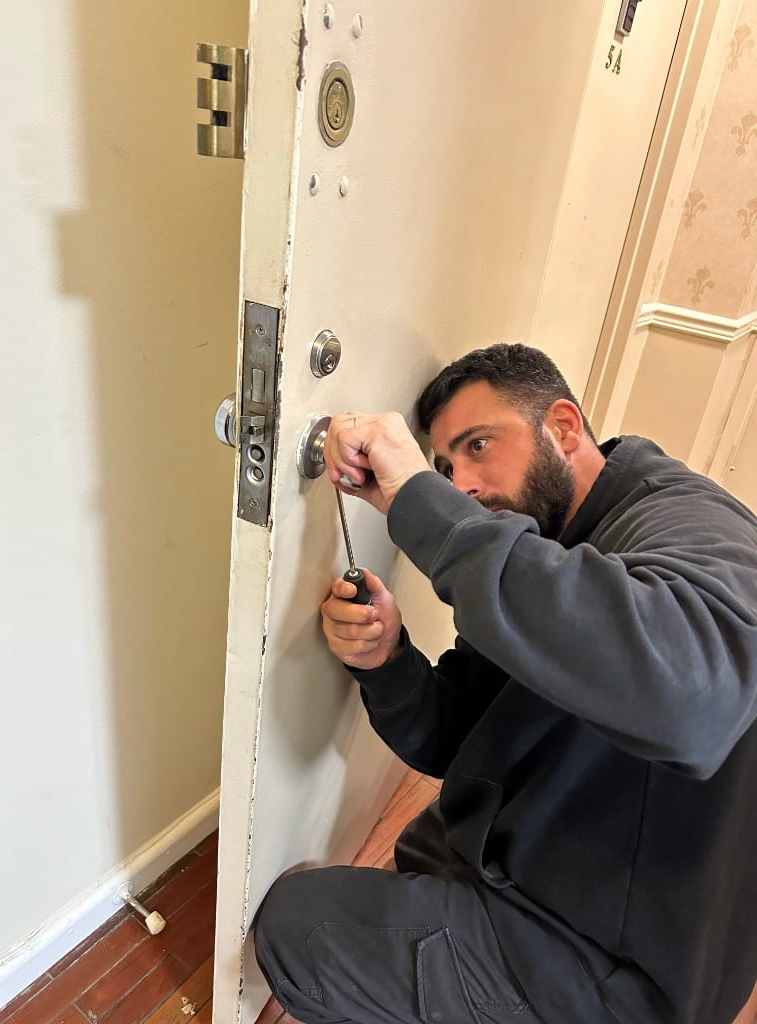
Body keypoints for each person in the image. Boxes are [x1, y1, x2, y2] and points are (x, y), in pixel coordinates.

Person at [254, 344, 757, 1024]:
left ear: (565, 427)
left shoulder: (692, 526)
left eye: (479, 445)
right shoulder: (545, 554)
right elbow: (454, 738)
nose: (461, 482)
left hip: (624, 974)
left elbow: (693, 704)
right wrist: (387, 660)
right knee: (425, 843)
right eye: (443, 468)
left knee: (298, 925)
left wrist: (424, 507)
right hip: (558, 886)